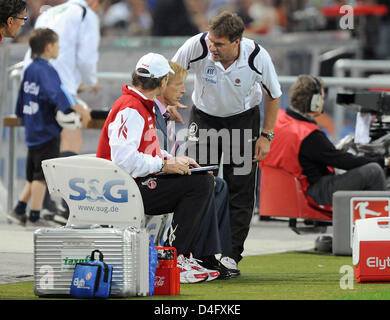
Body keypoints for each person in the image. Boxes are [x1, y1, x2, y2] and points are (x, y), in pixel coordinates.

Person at [171, 11, 282, 273]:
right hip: (204, 118)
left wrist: (266, 136)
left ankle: (231, 255)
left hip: (242, 121)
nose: (212, 48)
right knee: (200, 182)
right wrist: (170, 101)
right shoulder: (196, 46)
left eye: (219, 44)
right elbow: (172, 72)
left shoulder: (257, 57)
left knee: (240, 188)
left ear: (237, 42)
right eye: (211, 41)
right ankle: (199, 253)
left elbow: (274, 95)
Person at [96, 52, 219, 284]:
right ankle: (174, 259)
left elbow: (146, 151)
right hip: (124, 189)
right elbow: (124, 160)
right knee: (199, 184)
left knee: (199, 178)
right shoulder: (132, 108)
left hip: (132, 184)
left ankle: (180, 256)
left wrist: (175, 160)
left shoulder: (139, 105)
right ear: (162, 82)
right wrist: (164, 164)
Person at [154, 61, 238, 279]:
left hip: (160, 172)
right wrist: (173, 164)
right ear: (163, 85)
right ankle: (181, 254)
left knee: (218, 184)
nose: (184, 90)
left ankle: (204, 255)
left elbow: (162, 152)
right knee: (204, 183)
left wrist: (180, 161)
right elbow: (149, 155)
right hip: (150, 180)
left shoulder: (165, 114)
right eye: (179, 85)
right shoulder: (149, 112)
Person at [23, 0, 105, 221]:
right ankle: (62, 206)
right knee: (71, 140)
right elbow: (86, 56)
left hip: (35, 83)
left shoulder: (49, 12)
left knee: (45, 147)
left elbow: (31, 51)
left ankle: (35, 206)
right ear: (95, 3)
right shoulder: (86, 13)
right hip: (58, 86)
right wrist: (91, 80)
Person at [262, 74, 390, 207]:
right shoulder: (309, 135)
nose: (322, 103)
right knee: (374, 171)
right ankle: (378, 224)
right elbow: (344, 161)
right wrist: (386, 161)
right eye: (322, 99)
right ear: (314, 102)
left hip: (286, 190)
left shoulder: (278, 120)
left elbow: (319, 154)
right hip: (313, 191)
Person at [7, 28, 91, 228]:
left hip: (32, 129)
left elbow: (23, 95)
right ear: (48, 47)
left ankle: (19, 210)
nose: (59, 48)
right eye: (56, 44)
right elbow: (57, 94)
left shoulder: (30, 69)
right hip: (46, 130)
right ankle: (36, 215)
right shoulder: (47, 70)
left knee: (33, 174)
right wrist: (78, 109)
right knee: (41, 176)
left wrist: (20, 114)